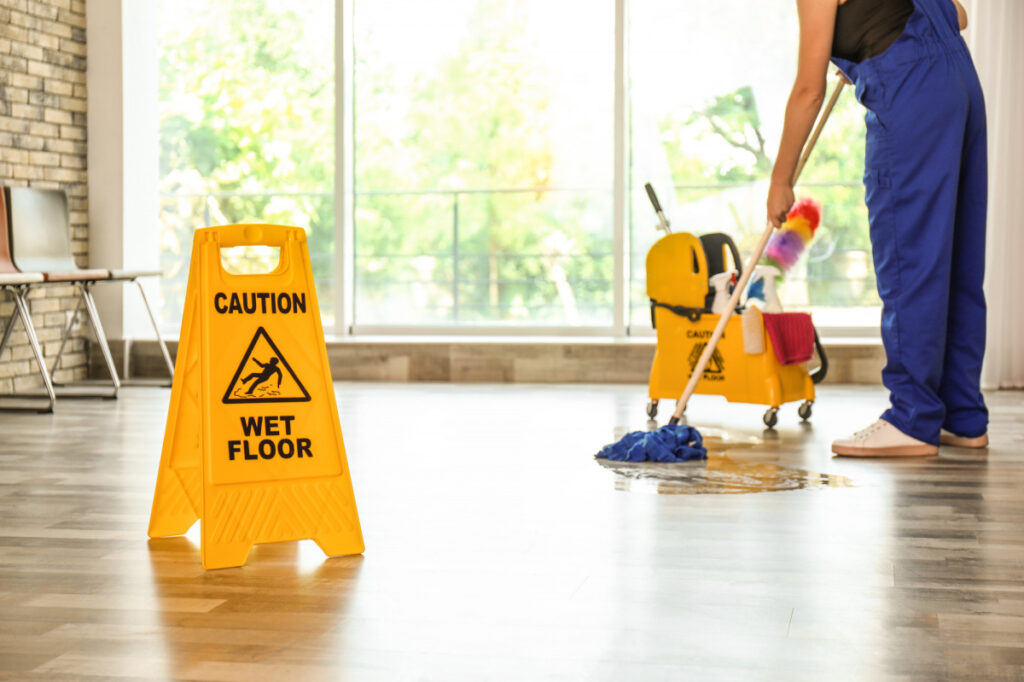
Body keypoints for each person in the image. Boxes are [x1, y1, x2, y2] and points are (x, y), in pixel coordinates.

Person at [767, 0, 988, 456]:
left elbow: (809, 91)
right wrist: (868, 39)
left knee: (911, 257)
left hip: (912, 94)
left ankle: (912, 418)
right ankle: (961, 416)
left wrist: (780, 178)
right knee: (957, 260)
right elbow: (959, 15)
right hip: (959, 83)